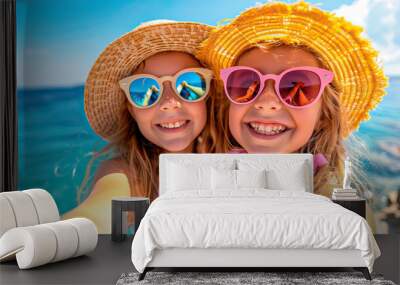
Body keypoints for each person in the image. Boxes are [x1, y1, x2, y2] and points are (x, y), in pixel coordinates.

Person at [197, 1, 387, 198]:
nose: (267, 102)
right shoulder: (208, 181)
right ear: (229, 106)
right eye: (246, 84)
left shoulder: (332, 202)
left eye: (299, 89)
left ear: (324, 115)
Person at [63, 20, 218, 233]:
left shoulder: (232, 157)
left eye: (189, 84)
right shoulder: (127, 173)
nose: (169, 102)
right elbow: (97, 213)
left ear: (208, 96)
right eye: (145, 90)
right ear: (131, 109)